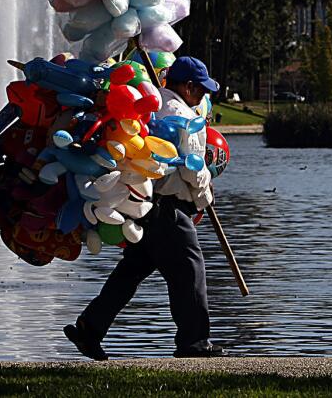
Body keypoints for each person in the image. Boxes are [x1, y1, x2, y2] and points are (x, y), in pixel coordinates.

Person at [65, 56, 226, 359]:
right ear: (188, 86)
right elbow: (193, 169)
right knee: (190, 270)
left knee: (130, 271)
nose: (204, 97)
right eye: (201, 90)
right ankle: (194, 342)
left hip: (143, 202)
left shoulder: (155, 103)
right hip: (168, 209)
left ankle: (90, 328)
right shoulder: (183, 116)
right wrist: (205, 194)